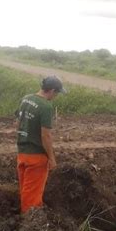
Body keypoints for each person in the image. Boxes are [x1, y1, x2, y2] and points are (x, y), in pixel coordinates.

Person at [15, 76, 66, 213]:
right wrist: (52, 158)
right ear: (52, 91)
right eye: (57, 93)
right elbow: (45, 135)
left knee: (26, 189)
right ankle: (31, 224)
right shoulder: (46, 106)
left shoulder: (26, 99)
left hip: (22, 152)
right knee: (32, 196)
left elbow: (17, 123)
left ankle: (25, 216)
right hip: (36, 157)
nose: (56, 96)